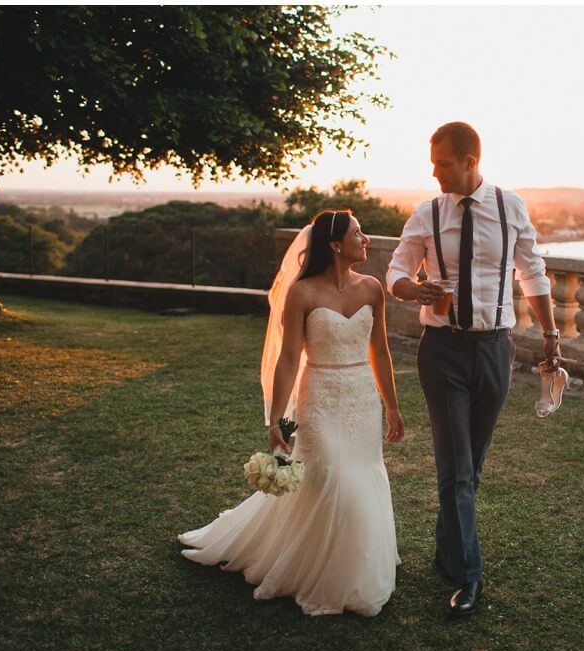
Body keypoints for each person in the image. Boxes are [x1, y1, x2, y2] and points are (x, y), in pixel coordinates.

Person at [179, 210, 405, 617]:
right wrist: (277, 419)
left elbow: (380, 351)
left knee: (360, 475)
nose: (366, 239)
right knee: (329, 478)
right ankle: (322, 572)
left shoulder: (372, 289)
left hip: (361, 398)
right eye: (358, 233)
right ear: (336, 245)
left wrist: (391, 405)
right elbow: (287, 360)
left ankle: (354, 565)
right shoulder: (301, 293)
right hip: (319, 396)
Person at [387, 122, 560, 618]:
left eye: (441, 162)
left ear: (469, 160)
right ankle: (469, 575)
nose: (434, 171)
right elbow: (397, 270)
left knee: (472, 465)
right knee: (457, 466)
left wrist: (550, 336)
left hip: (494, 351)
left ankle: (447, 551)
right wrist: (412, 290)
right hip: (442, 352)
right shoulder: (427, 214)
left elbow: (532, 271)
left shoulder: (512, 208)